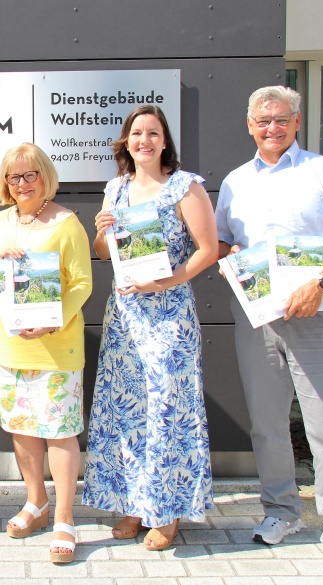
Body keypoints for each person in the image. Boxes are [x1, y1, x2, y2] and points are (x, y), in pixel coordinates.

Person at [215, 85, 323, 580]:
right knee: (267, 423)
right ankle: (282, 512)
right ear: (249, 125)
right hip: (258, 317)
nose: (272, 128)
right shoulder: (235, 182)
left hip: (317, 312)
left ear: (296, 122)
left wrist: (322, 281)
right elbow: (223, 243)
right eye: (263, 121)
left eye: (281, 120)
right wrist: (227, 262)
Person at [82, 105, 217, 552]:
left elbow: (208, 250)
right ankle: (135, 505)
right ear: (126, 140)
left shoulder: (185, 186)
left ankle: (168, 511)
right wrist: (101, 229)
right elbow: (103, 252)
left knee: (166, 413)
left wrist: (168, 279)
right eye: (137, 133)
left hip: (169, 315)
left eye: (153, 133)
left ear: (164, 140)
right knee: (128, 412)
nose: (144, 140)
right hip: (125, 317)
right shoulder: (115, 188)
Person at [0, 143, 92, 564]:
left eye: (29, 175)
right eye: (13, 177)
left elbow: (82, 283)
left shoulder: (66, 222)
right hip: (9, 344)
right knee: (22, 427)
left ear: (45, 177)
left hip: (56, 344)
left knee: (60, 430)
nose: (21, 184)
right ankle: (36, 503)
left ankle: (64, 518)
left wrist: (55, 318)